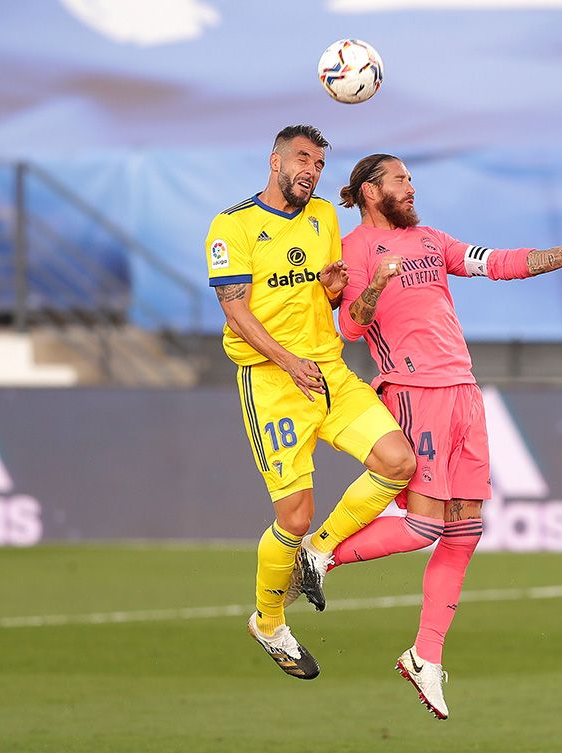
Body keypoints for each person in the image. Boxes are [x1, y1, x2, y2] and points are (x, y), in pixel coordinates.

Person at [294, 153, 562, 718]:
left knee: (465, 531)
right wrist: (373, 286)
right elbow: (349, 327)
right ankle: (321, 551)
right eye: (401, 179)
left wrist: (561, 258)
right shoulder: (348, 252)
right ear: (371, 192)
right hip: (414, 391)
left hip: (463, 392)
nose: (410, 186)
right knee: (424, 525)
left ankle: (425, 656)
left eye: (410, 179)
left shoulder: (430, 241)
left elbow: (495, 263)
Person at [203, 128, 416, 681]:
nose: (311, 170)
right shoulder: (232, 226)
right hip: (273, 382)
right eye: (302, 158)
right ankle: (269, 623)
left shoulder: (324, 215)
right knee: (292, 514)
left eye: (319, 163)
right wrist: (289, 361)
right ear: (273, 160)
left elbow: (328, 294)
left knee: (399, 462)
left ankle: (318, 552)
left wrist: (331, 286)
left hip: (329, 371)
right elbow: (237, 312)